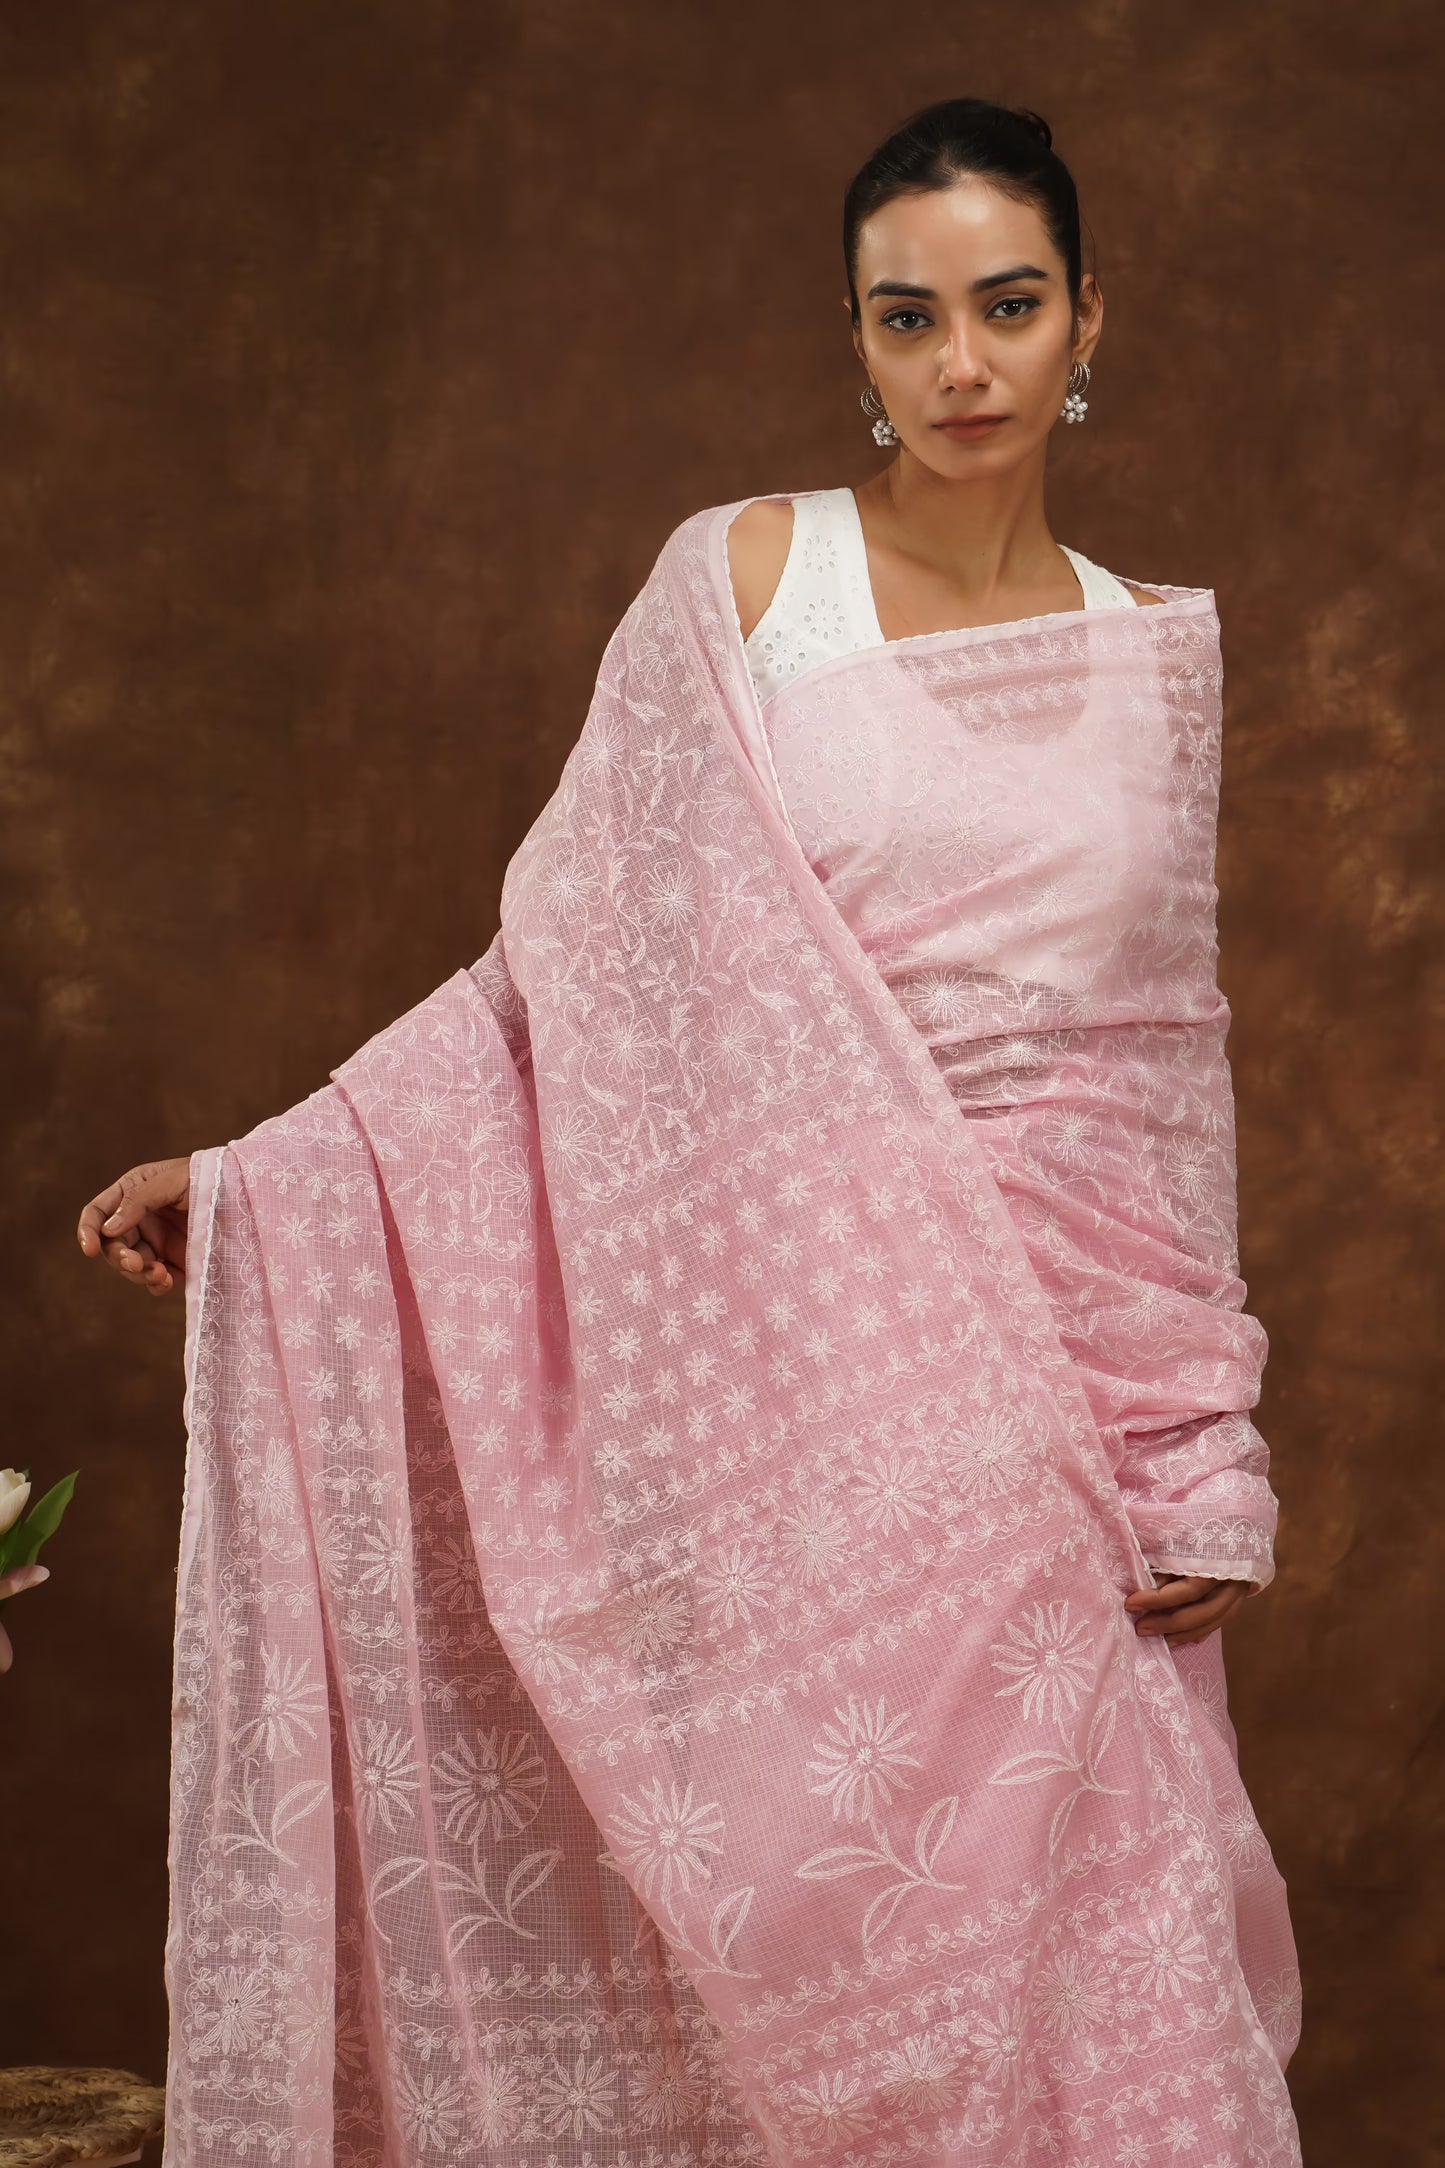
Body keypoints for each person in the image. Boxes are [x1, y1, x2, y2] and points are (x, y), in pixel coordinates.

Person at [78, 97, 1301, 2168]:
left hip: (1049, 1460)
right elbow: (555, 985)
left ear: (1093, 314)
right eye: (907, 319)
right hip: (783, 1431)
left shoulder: (1149, 656)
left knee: (1117, 2029)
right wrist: (277, 1171)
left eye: (1009, 307)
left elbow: (1156, 1089)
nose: (964, 365)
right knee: (782, 2021)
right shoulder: (748, 583)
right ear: (857, 339)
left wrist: (1207, 1451)